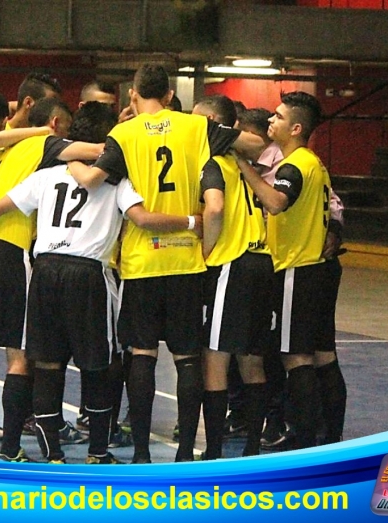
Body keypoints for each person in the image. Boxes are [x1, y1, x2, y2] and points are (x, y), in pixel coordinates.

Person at [0, 102, 202, 463]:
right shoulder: (116, 179)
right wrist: (190, 222)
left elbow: (0, 206)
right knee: (98, 365)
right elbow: (142, 218)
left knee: (48, 364)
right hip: (88, 273)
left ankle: (53, 454)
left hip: (45, 270)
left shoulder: (47, 175)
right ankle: (97, 451)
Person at [67, 64, 264, 463]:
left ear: (135, 94)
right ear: (171, 96)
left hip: (142, 260)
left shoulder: (123, 134)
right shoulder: (196, 128)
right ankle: (186, 454)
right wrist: (231, 145)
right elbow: (255, 144)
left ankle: (141, 452)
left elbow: (92, 179)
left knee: (142, 355)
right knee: (187, 357)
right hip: (185, 259)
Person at [0, 97, 102, 462]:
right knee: (19, 356)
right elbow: (98, 150)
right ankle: (11, 448)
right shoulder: (43, 145)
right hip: (11, 255)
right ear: (56, 122)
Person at [234, 91, 347, 450]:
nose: (271, 121)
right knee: (323, 354)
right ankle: (330, 434)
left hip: (299, 267)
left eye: (279, 117)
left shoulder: (295, 165)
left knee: (295, 356)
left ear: (296, 128)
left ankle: (303, 438)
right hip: (320, 268)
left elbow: (276, 202)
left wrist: (243, 167)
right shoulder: (313, 163)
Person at [192, 95, 274, 459]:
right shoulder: (244, 161)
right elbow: (258, 142)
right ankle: (253, 447)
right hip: (262, 260)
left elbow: (216, 208)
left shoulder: (216, 163)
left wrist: (208, 251)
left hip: (232, 262)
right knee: (252, 359)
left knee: (215, 357)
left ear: (211, 121)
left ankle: (211, 451)